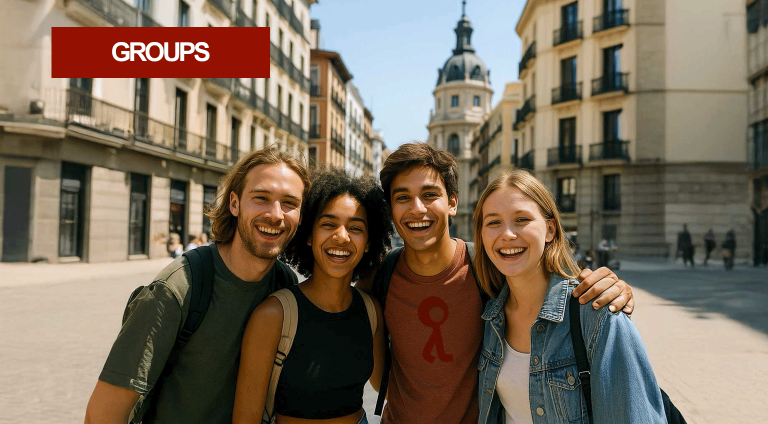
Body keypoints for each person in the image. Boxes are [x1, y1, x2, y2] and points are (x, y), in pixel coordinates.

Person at [356, 143, 635, 424]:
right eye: (402, 197)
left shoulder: (488, 267)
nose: (417, 209)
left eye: (429, 195)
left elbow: (544, 279)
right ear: (390, 208)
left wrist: (608, 286)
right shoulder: (378, 278)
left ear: (452, 203)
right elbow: (378, 374)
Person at [83, 148, 310, 424]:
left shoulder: (284, 284)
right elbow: (103, 415)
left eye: (289, 203)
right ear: (235, 204)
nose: (276, 215)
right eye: (261, 198)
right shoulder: (177, 288)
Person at [475, 169, 666, 423]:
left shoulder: (597, 313)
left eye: (521, 219)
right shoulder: (489, 317)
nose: (507, 234)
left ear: (550, 230)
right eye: (494, 222)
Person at [233, 168, 391, 424]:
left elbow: (392, 389)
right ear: (308, 235)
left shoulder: (371, 312)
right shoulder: (274, 315)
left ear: (369, 242)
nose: (341, 237)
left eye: (356, 228)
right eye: (328, 224)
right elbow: (245, 419)